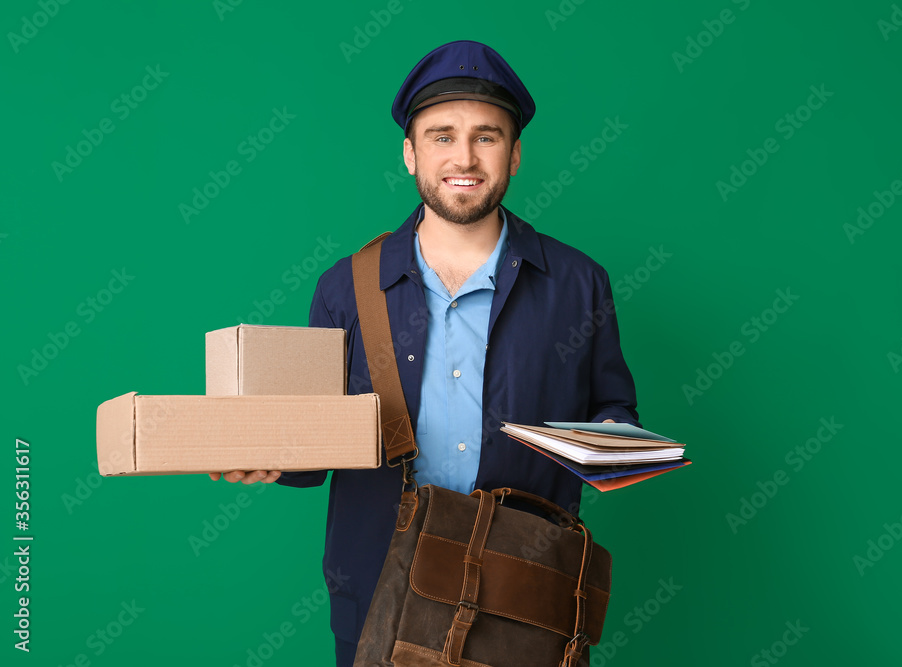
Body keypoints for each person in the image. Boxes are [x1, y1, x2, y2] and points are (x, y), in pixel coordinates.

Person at [209, 40, 641, 665]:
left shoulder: (580, 283)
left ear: (514, 154)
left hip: (523, 589)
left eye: (486, 136)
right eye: (441, 136)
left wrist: (614, 451)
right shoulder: (344, 287)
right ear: (410, 154)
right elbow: (314, 439)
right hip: (380, 581)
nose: (463, 157)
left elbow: (613, 409)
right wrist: (268, 460)